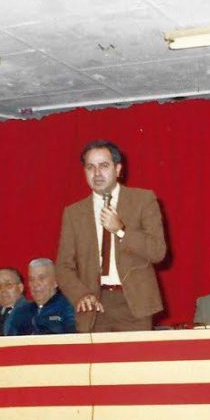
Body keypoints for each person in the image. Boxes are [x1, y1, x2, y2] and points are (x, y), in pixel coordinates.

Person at [55, 140, 167, 332]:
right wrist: (81, 295)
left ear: (118, 169)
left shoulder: (143, 200)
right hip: (93, 306)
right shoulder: (74, 213)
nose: (97, 173)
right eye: (90, 167)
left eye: (104, 166)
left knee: (132, 362)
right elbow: (63, 266)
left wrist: (121, 230)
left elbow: (158, 251)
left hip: (134, 304)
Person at [7, 258, 76, 336]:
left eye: (41, 278)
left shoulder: (68, 308)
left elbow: (73, 341)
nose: (35, 284)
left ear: (56, 281)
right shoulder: (21, 312)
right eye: (31, 279)